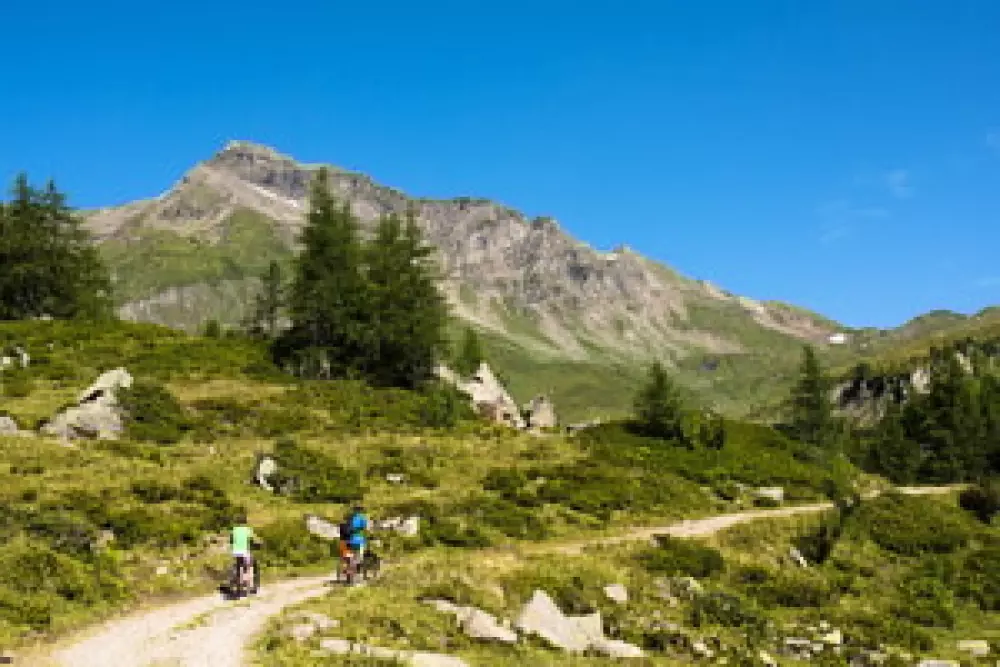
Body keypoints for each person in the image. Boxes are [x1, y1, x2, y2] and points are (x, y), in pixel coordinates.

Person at [231, 514, 260, 593]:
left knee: (238, 565)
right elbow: (255, 539)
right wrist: (259, 542)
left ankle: (238, 582)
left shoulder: (234, 530)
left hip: (236, 552)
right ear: (245, 522)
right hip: (244, 551)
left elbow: (231, 540)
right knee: (250, 565)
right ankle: (251, 585)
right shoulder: (247, 530)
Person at [338, 505, 369, 580]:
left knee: (349, 554)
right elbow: (365, 529)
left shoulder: (350, 518)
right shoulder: (362, 518)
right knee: (360, 556)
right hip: (359, 540)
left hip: (349, 540)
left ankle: (347, 566)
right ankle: (356, 567)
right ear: (360, 510)